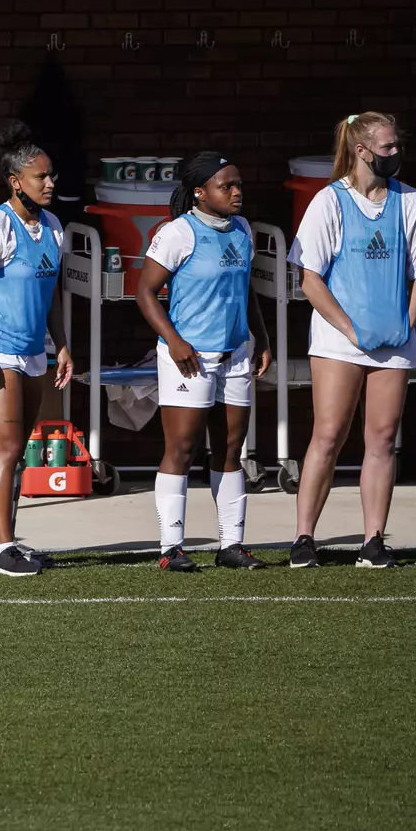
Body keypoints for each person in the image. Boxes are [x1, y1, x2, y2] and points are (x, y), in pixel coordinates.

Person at [287, 112, 416, 569]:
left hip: (393, 342)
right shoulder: (328, 202)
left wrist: (404, 326)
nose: (395, 154)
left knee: (382, 438)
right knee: (328, 435)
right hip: (339, 342)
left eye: (397, 145)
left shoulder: (410, 201)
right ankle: (303, 539)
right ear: (361, 150)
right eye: (388, 147)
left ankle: (373, 542)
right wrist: (352, 331)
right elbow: (310, 279)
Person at [136, 152, 273, 572]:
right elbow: (145, 292)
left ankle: (231, 544)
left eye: (238, 185)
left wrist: (261, 336)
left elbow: (246, 289)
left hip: (235, 354)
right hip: (189, 357)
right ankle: (171, 548)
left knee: (232, 447)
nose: (236, 193)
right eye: (225, 186)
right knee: (181, 447)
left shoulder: (243, 229)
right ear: (200, 192)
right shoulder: (177, 233)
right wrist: (174, 341)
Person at [0, 124, 75, 578]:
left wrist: (62, 345)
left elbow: (54, 294)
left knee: (15, 448)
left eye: (51, 176)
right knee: (6, 448)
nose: (50, 184)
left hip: (33, 353)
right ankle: (4, 550)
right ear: (15, 181)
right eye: (40, 177)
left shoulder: (52, 226)